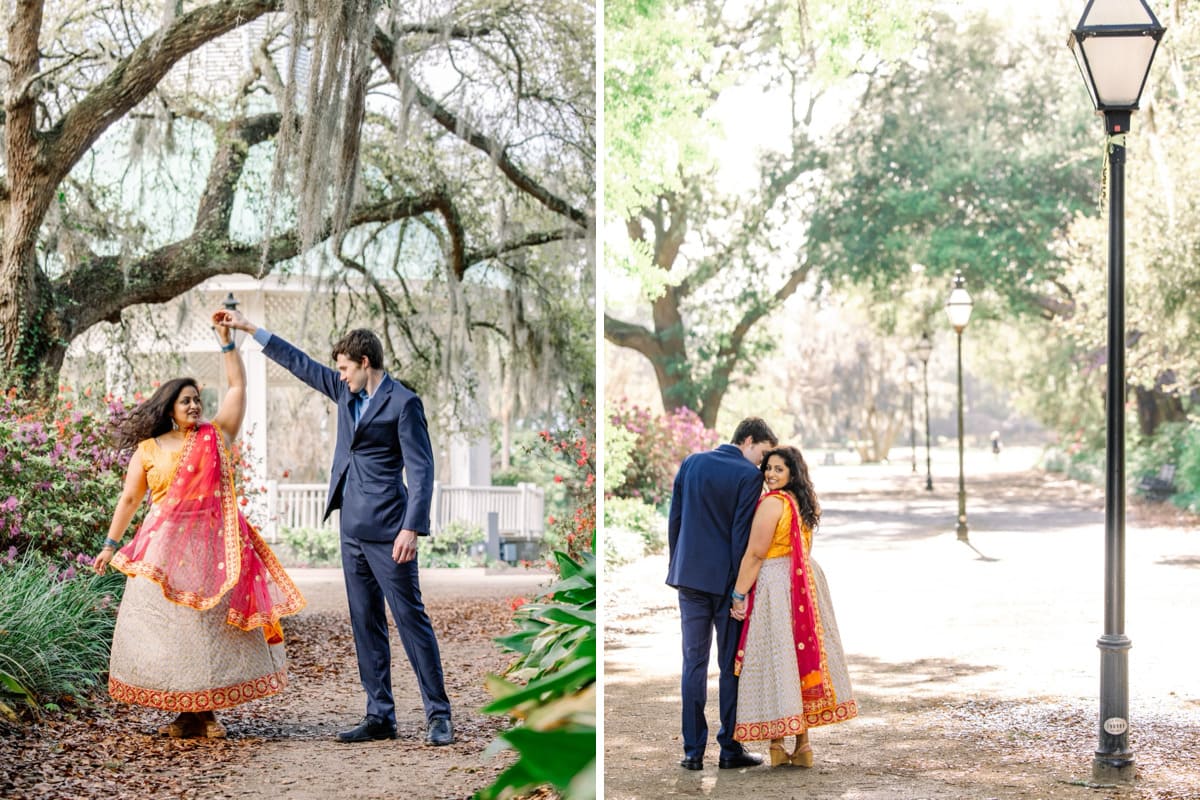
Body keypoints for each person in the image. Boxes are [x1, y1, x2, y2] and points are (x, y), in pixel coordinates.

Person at [214, 308, 453, 746]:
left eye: (345, 368)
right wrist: (251, 329)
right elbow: (301, 364)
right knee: (365, 622)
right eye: (338, 370)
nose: (339, 376)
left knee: (409, 619)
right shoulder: (346, 394)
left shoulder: (404, 403)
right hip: (351, 529)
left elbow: (422, 470)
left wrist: (412, 528)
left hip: (390, 530)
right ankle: (380, 715)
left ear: (365, 363)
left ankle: (439, 715)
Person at [93, 319, 306, 739]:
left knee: (207, 634)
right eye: (186, 401)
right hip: (159, 554)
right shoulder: (149, 449)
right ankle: (182, 713)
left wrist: (226, 345)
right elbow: (130, 500)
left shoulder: (216, 436)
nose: (194, 406)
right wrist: (109, 545)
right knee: (172, 635)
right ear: (169, 408)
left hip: (210, 553)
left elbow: (237, 391)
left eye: (197, 400)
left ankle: (207, 713)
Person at [729, 445, 857, 768]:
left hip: (777, 582)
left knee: (779, 657)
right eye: (768, 468)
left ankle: (777, 742)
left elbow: (756, 553)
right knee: (801, 658)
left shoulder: (773, 504)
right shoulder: (802, 503)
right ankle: (803, 745)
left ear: (791, 474)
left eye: (778, 469)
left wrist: (739, 593)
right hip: (805, 580)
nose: (770, 474)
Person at [667, 417, 778, 771]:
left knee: (693, 665)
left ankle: (692, 751)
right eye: (761, 455)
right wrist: (739, 592)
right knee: (730, 667)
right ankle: (730, 748)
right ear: (747, 440)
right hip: (726, 585)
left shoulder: (691, 462)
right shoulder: (748, 477)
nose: (762, 465)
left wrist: (678, 565)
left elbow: (676, 521)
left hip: (689, 579)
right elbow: (739, 537)